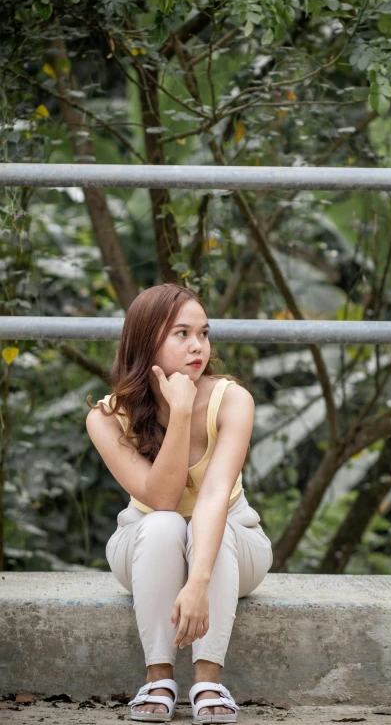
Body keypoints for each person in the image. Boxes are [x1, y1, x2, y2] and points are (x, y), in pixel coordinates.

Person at [85, 282, 273, 724]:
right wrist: (182, 413)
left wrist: (198, 582)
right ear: (146, 339)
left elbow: (212, 497)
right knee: (166, 524)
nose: (198, 347)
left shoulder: (233, 400)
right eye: (182, 334)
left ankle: (208, 681)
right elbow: (163, 499)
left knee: (214, 526)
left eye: (204, 334)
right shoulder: (107, 417)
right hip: (145, 543)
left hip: (234, 541)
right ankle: (159, 680)